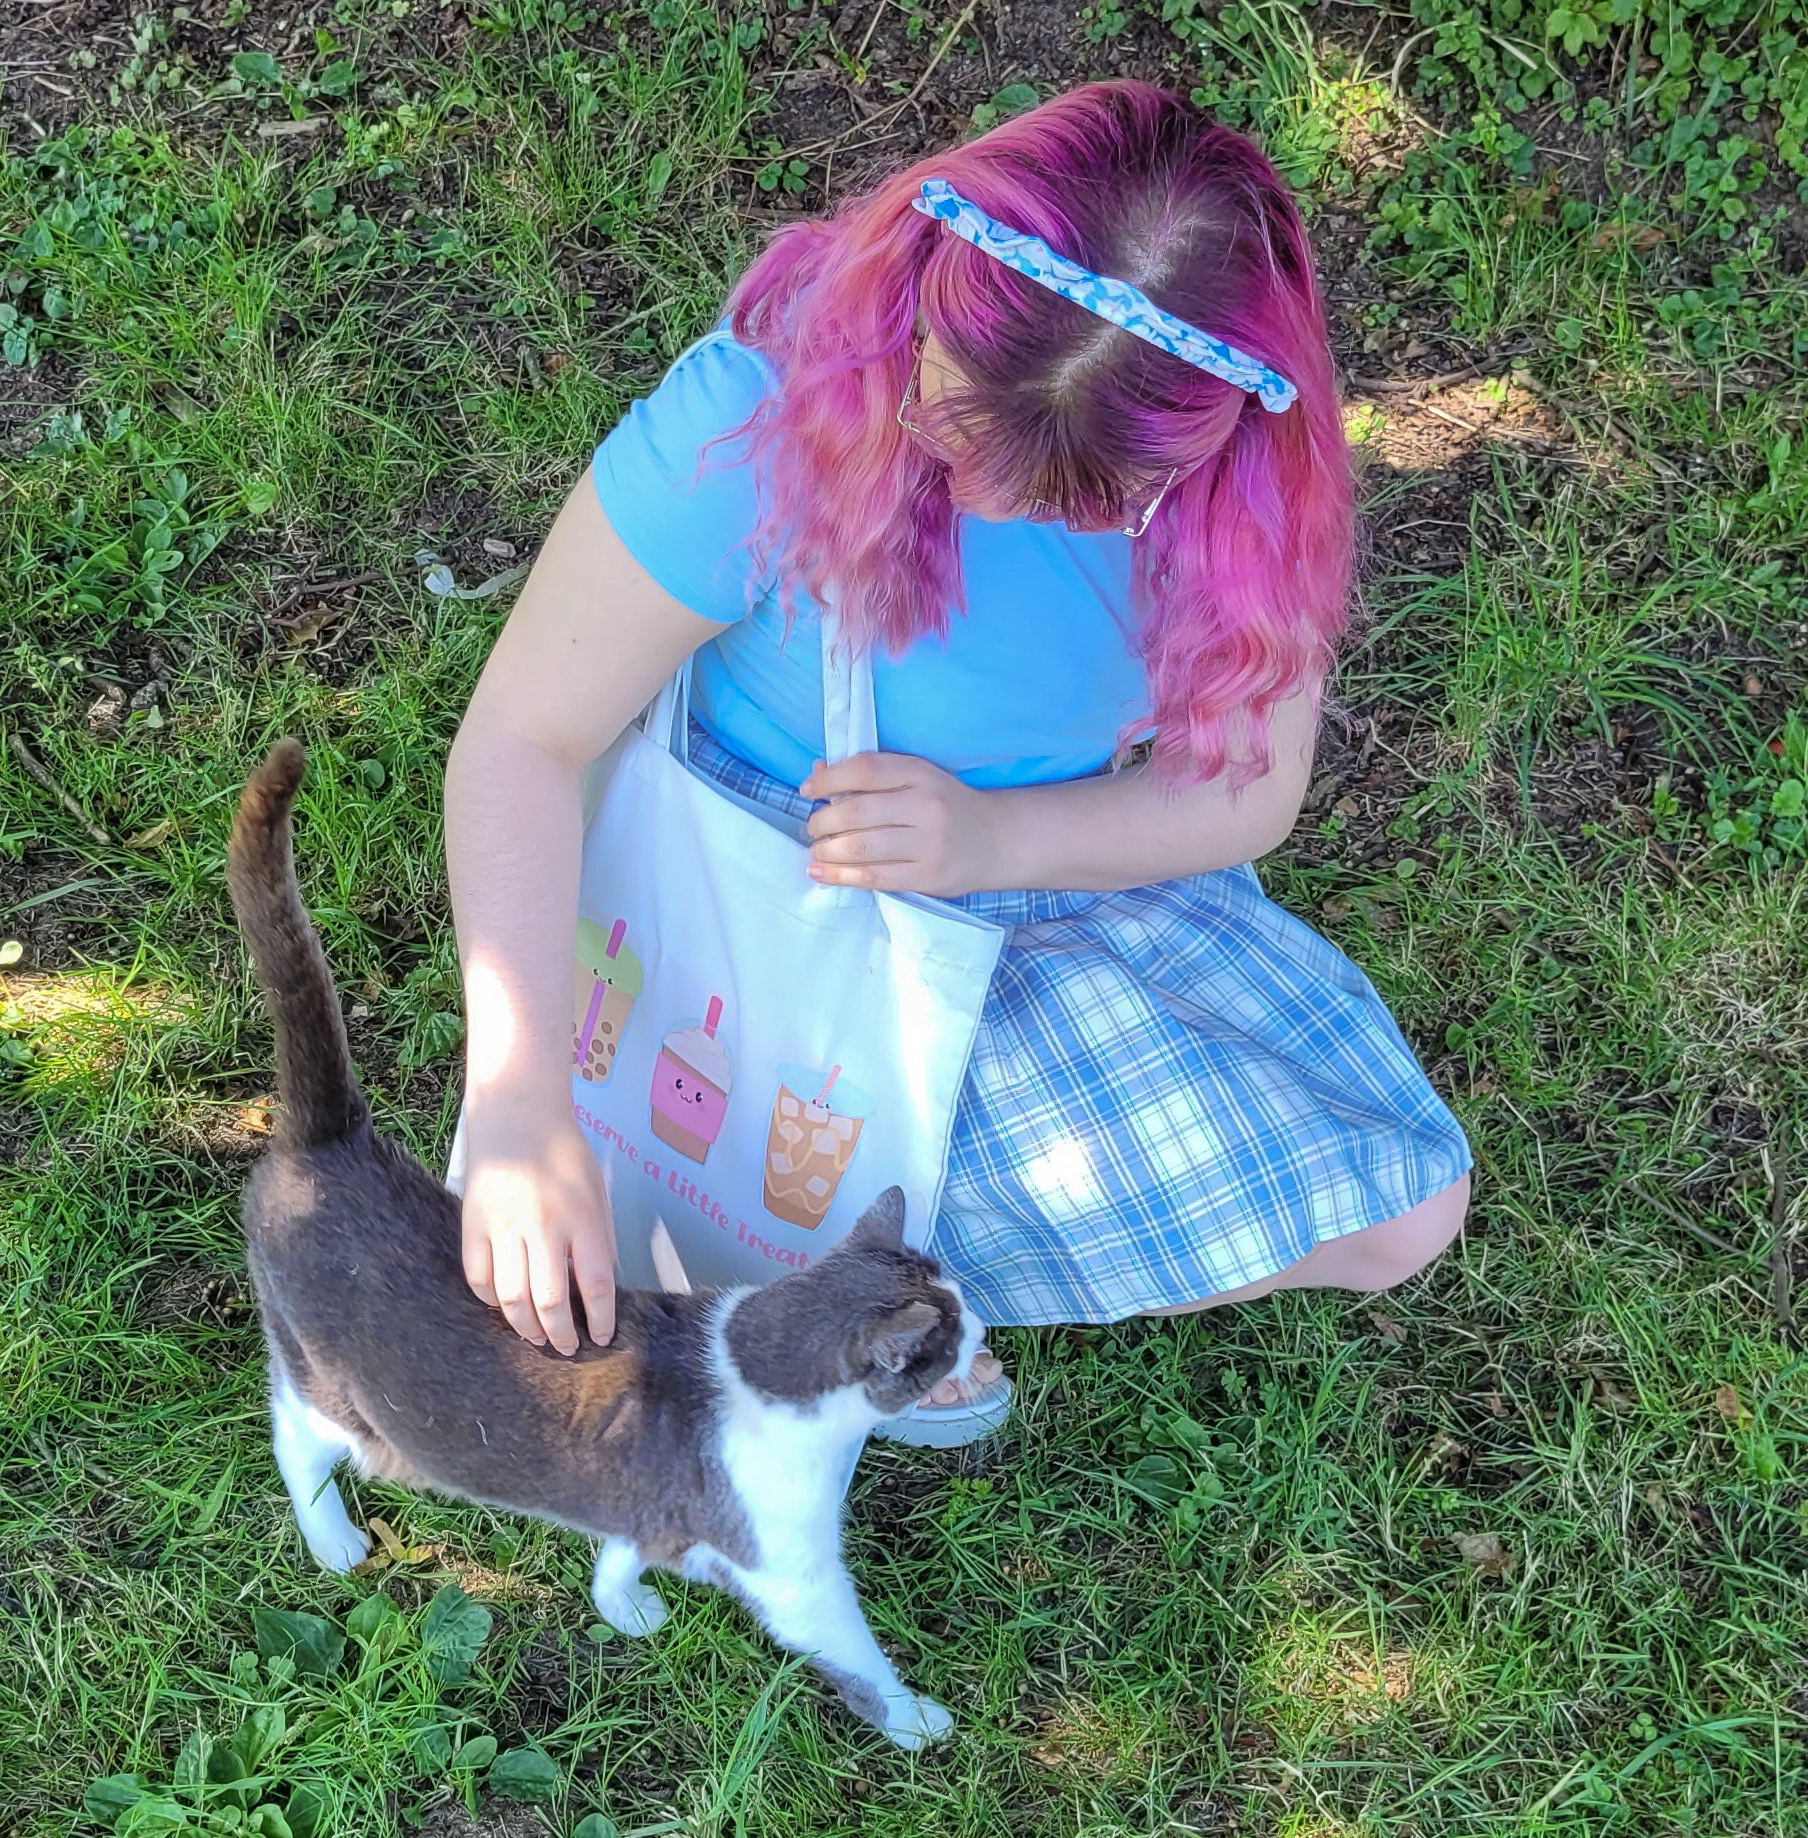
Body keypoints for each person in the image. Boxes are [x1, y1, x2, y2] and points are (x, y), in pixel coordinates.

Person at [444, 81, 1472, 1445]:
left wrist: (997, 846)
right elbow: (526, 731)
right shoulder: (755, 424)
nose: (990, 499)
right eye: (951, 432)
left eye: (1083, 499)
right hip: (753, 901)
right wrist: (515, 1097)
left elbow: (1244, 790)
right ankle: (869, 1308)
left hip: (1036, 870)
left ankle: (897, 1290)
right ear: (918, 302)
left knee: (1401, 1214)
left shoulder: (1238, 496)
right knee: (767, 1164)